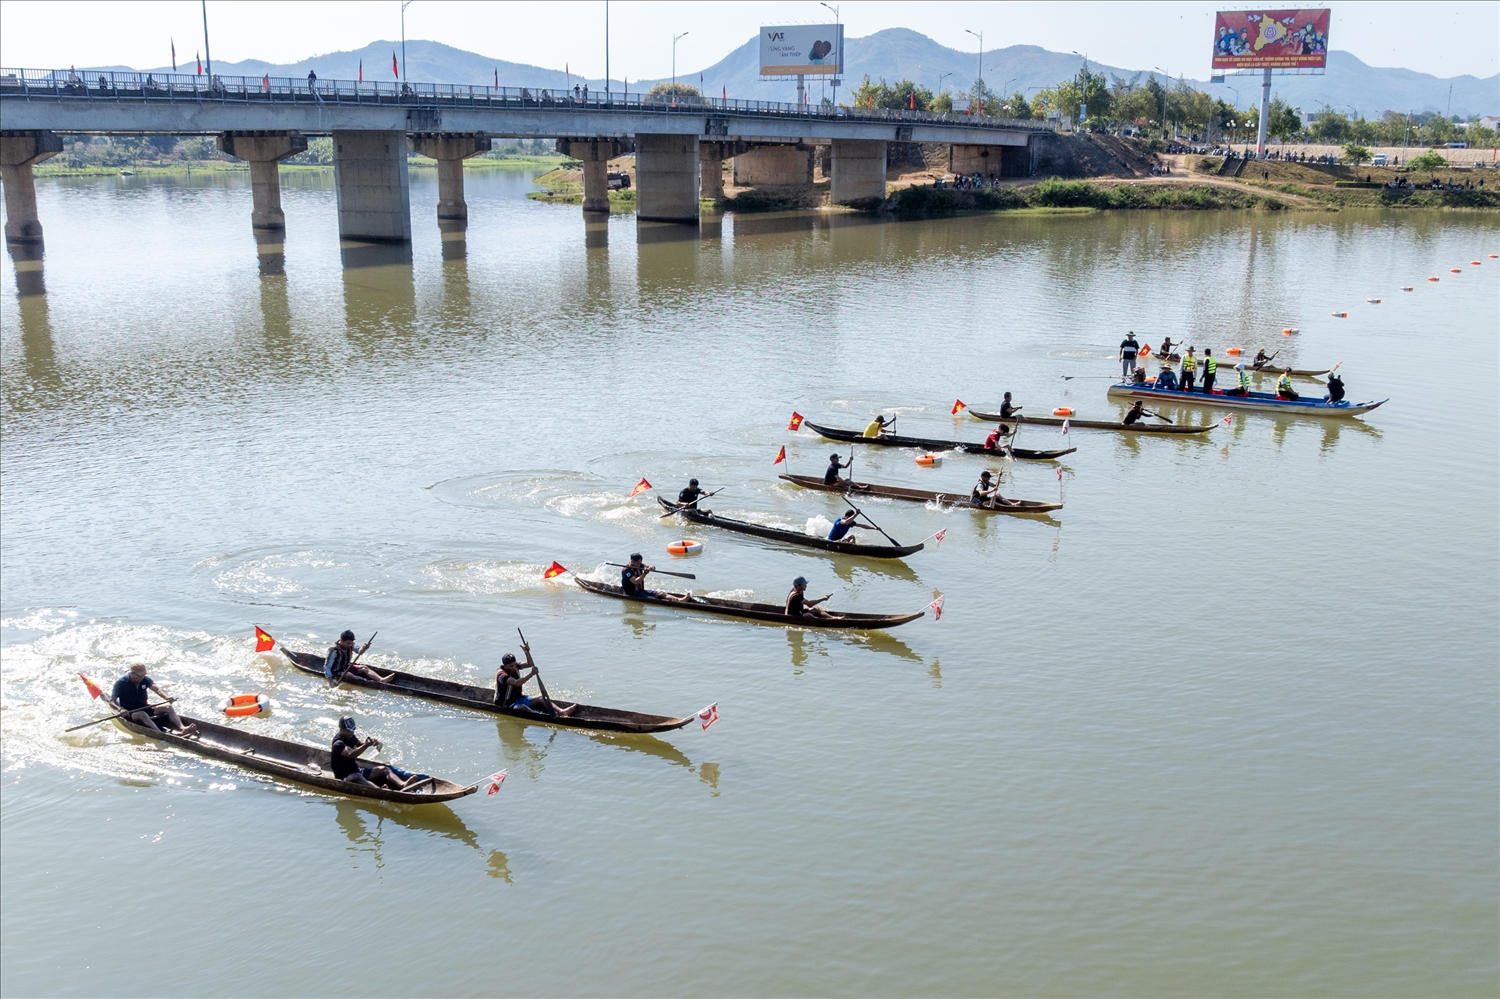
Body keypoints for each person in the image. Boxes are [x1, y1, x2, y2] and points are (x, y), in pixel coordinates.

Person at [110, 662, 198, 736]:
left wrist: (167, 697)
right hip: (130, 712)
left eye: (144, 675)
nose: (142, 677)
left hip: (144, 707)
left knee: (168, 707)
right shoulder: (121, 683)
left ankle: (182, 728)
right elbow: (112, 702)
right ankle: (160, 734)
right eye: (140, 676)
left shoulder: (144, 680)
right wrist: (120, 709)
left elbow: (157, 689)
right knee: (143, 714)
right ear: (132, 673)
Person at [494, 638, 577, 717]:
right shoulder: (501, 674)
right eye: (510, 666)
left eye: (514, 665)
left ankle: (561, 712)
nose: (513, 667)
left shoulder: (515, 665)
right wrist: (531, 674)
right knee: (522, 708)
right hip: (505, 703)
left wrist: (527, 652)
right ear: (504, 665)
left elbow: (529, 664)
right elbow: (516, 683)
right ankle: (539, 715)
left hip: (518, 698)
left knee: (541, 698)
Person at [330, 717, 412, 790]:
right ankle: (379, 790)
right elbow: (352, 754)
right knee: (357, 777)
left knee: (384, 769)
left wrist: (370, 742)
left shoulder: (350, 736)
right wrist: (366, 745)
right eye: (348, 730)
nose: (351, 733)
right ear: (341, 729)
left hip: (356, 770)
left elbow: (359, 744)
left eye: (353, 730)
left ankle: (402, 784)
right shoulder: (338, 743)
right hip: (344, 776)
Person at [325, 630, 395, 686]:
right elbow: (327, 667)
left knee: (364, 668)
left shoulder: (351, 645)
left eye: (351, 643)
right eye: (347, 643)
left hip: (346, 667)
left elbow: (359, 651)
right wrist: (331, 681)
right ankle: (366, 682)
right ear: (341, 640)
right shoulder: (333, 650)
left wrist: (364, 648)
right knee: (349, 675)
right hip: (335, 671)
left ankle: (381, 680)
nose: (349, 645)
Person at [620, 553, 691, 602]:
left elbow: (651, 567)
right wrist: (644, 574)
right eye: (637, 563)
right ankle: (677, 601)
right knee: (653, 598)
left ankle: (679, 600)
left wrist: (651, 567)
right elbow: (635, 581)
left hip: (641, 591)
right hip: (632, 593)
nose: (639, 565)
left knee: (661, 593)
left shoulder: (640, 564)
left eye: (640, 563)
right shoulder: (626, 570)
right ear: (632, 561)